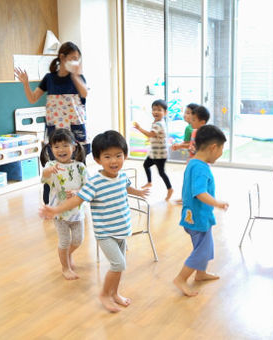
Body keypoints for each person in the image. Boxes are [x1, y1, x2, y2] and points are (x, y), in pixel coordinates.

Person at [40, 130, 149, 313]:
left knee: (119, 265)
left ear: (125, 156)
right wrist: (56, 209)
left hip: (121, 230)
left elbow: (127, 187)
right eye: (107, 157)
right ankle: (104, 295)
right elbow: (77, 200)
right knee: (118, 264)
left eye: (118, 156)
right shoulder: (95, 182)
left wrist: (138, 192)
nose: (113, 161)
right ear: (98, 160)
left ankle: (114, 293)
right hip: (105, 232)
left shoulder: (121, 176)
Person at [15, 41, 89, 204]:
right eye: (73, 58)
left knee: (79, 163)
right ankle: (49, 200)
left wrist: (75, 76)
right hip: (55, 129)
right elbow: (33, 98)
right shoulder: (49, 79)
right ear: (62, 58)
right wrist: (26, 84)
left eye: (78, 59)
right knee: (51, 163)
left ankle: (80, 197)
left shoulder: (77, 78)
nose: (76, 62)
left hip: (75, 127)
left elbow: (84, 93)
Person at [173, 125, 229, 297]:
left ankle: (200, 273)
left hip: (196, 215)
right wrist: (217, 203)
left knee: (205, 246)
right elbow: (199, 192)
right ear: (213, 147)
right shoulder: (201, 168)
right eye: (221, 149)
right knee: (202, 250)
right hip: (197, 218)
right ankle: (181, 279)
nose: (221, 153)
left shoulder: (194, 163)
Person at [41, 129, 87, 280]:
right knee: (65, 241)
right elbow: (44, 177)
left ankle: (67, 255)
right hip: (59, 214)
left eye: (65, 145)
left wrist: (77, 191)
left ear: (73, 147)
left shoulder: (80, 167)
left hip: (77, 212)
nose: (61, 150)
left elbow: (87, 187)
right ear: (51, 149)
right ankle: (65, 267)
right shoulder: (51, 165)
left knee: (78, 240)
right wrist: (48, 171)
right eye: (56, 146)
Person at [133, 99, 174, 200]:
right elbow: (154, 136)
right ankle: (149, 182)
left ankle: (170, 189)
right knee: (146, 165)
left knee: (161, 172)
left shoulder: (158, 124)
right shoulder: (158, 122)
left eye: (159, 110)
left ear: (165, 112)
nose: (156, 112)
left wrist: (139, 128)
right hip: (154, 153)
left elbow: (150, 134)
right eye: (154, 109)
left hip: (160, 155)